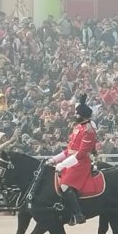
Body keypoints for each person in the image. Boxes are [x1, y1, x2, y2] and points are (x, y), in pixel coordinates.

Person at [45, 94, 96, 225]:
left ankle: (78, 214)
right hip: (72, 161)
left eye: (77, 114)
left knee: (65, 185)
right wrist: (54, 160)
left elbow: (81, 153)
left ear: (83, 116)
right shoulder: (78, 128)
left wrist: (63, 164)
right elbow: (69, 150)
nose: (75, 115)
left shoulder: (88, 131)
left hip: (81, 163)